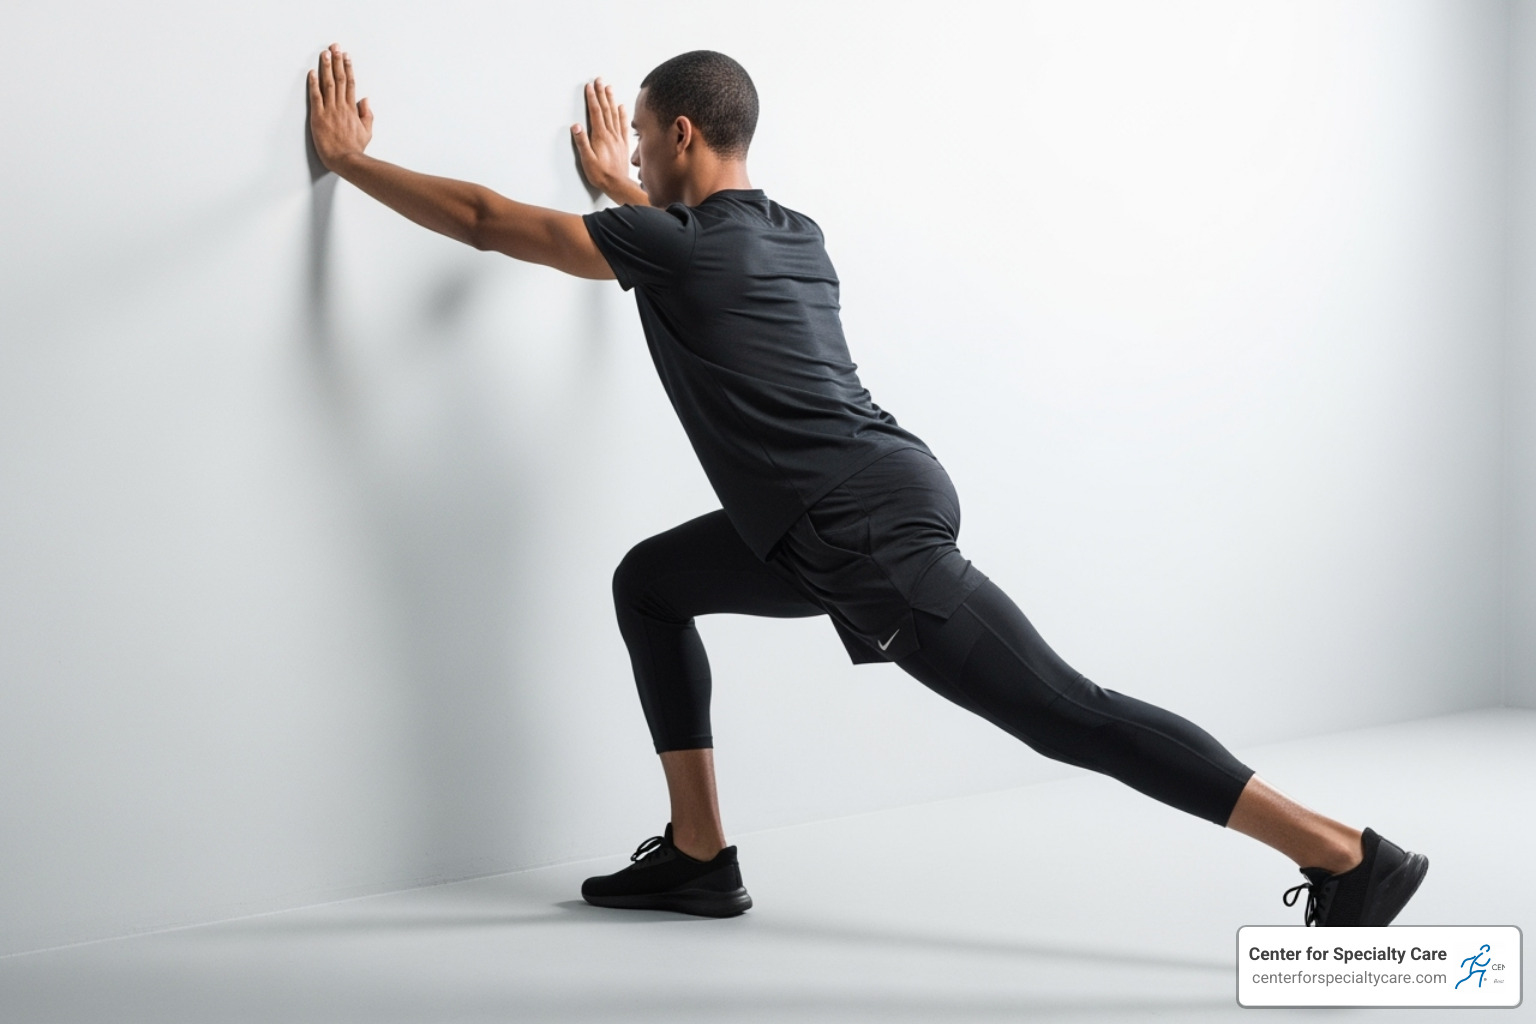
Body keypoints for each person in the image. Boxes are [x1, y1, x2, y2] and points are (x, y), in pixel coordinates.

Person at [306, 43, 1429, 926]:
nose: (633, 160)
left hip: (860, 529)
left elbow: (493, 225)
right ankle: (699, 854)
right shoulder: (796, 234)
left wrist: (354, 163)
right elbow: (680, 251)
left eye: (642, 142)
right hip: (846, 506)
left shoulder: (675, 245)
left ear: (683, 134)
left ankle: (1347, 856)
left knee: (1067, 713)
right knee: (650, 582)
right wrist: (619, 189)